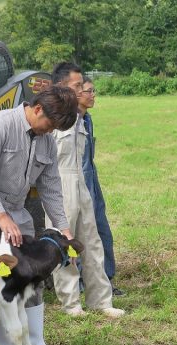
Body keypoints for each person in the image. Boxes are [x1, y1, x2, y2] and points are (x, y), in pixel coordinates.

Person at [0, 85, 77, 345]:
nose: (50, 132)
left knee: (30, 275)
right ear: (37, 109)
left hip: (17, 216)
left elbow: (50, 186)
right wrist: (0, 217)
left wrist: (63, 228)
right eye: (50, 124)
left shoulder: (46, 140)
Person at [49, 63, 124, 319]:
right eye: (77, 86)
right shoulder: (52, 119)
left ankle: (101, 300)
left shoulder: (79, 119)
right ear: (61, 87)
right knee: (65, 244)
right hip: (59, 184)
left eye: (83, 86)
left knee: (92, 241)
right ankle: (71, 304)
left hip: (80, 180)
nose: (82, 91)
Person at [80, 77, 124, 296]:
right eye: (89, 91)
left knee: (102, 231)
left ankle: (106, 279)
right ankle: (81, 285)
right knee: (81, 236)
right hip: (77, 183)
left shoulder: (87, 119)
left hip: (92, 180)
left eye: (93, 91)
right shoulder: (68, 121)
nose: (93, 95)